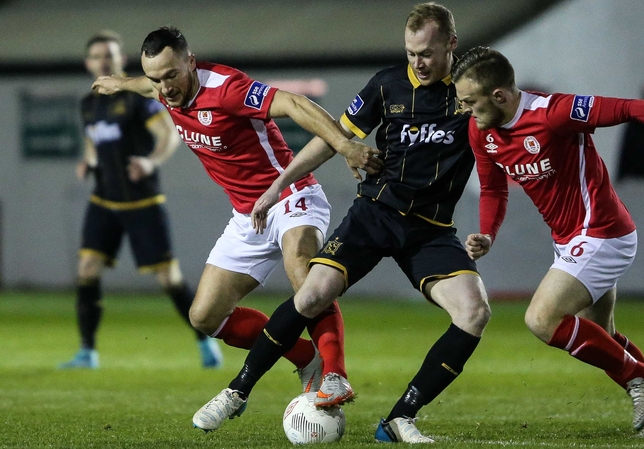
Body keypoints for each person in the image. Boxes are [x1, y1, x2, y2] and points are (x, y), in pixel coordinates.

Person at [192, 3, 491, 443]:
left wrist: (489, 226)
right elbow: (333, 138)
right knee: (312, 293)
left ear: (452, 44)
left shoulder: (469, 95)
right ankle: (237, 391)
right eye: (411, 53)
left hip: (430, 229)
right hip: (375, 215)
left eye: (427, 53)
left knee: (474, 312)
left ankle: (399, 419)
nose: (418, 63)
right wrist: (277, 186)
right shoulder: (387, 85)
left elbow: (504, 149)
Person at [91, 26, 383, 428]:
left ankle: (335, 373)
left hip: (290, 195)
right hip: (248, 215)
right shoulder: (162, 87)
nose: (165, 88)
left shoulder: (226, 88)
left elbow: (295, 103)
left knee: (303, 273)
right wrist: (119, 83)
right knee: (204, 317)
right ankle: (306, 359)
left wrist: (346, 145)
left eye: (171, 75)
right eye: (156, 79)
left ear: (190, 63)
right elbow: (145, 85)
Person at [452, 47, 644, 438]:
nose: (464, 109)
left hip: (603, 232)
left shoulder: (555, 112)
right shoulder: (480, 130)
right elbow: (493, 188)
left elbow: (629, 108)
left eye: (469, 101)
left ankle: (643, 378)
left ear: (498, 95)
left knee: (541, 319)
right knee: (600, 335)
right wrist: (487, 232)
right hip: (570, 240)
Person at [59, 30, 223, 370]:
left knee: (169, 278)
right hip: (104, 200)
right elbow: (93, 141)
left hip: (142, 201)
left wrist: (150, 161)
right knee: (86, 269)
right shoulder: (89, 103)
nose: (103, 61)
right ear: (88, 63)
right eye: (97, 56)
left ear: (121, 59)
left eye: (110, 54)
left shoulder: (138, 97)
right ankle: (87, 352)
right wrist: (88, 161)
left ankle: (204, 339)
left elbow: (168, 135)